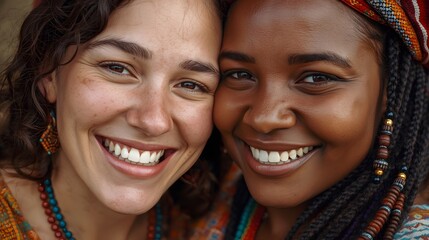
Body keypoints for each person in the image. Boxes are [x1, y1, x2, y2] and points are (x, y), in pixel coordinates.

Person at [0, 0, 223, 239]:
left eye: (191, 85)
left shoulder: (209, 224)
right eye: (117, 68)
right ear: (49, 72)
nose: (153, 121)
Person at [212, 0, 429, 239]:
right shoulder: (202, 198)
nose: (264, 118)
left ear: (393, 90)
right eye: (239, 74)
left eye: (316, 78)